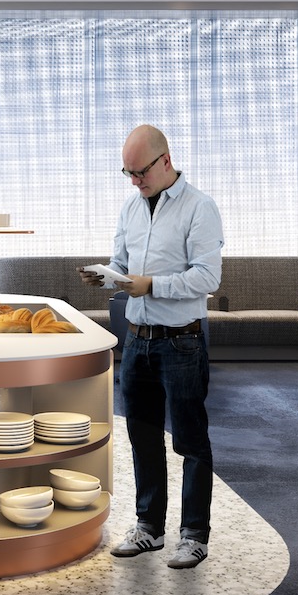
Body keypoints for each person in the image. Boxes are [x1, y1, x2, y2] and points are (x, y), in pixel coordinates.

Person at [101, 124, 224, 571]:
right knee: (142, 436)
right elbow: (122, 262)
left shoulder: (199, 208)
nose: (134, 181)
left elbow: (207, 278)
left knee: (191, 440)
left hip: (182, 341)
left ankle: (194, 535)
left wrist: (150, 284)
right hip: (137, 340)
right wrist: (107, 274)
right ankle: (149, 527)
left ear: (164, 161)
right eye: (127, 173)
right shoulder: (131, 209)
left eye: (139, 172)